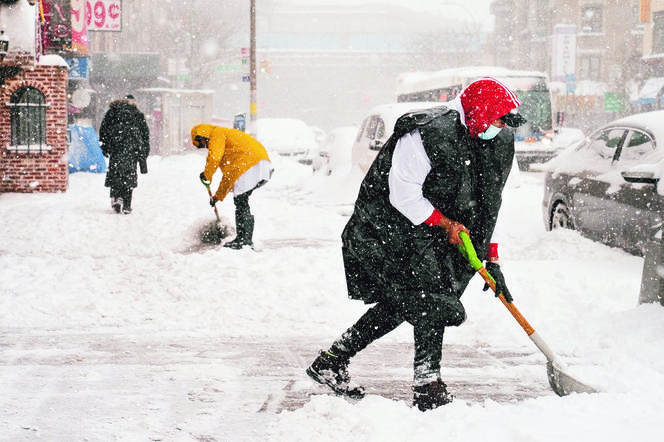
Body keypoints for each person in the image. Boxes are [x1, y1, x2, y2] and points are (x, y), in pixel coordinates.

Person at [306, 77, 527, 411]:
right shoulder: (425, 132)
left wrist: (491, 256)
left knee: (405, 303)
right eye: (496, 120)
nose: (499, 128)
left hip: (433, 234)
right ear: (479, 113)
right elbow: (404, 195)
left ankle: (332, 360)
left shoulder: (497, 142)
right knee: (430, 300)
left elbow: (489, 203)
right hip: (388, 228)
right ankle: (428, 385)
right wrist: (446, 223)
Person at [191, 124, 273, 249]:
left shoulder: (216, 134)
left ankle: (243, 240)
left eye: (202, 143)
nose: (205, 146)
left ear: (201, 135)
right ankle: (245, 239)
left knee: (241, 200)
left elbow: (214, 157)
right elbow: (229, 177)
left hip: (250, 164)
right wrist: (217, 197)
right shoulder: (231, 151)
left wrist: (207, 175)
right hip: (260, 164)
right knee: (242, 200)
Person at [99, 94, 150, 214]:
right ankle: (127, 204)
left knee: (115, 174)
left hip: (116, 149)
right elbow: (145, 135)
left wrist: (105, 147)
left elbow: (103, 130)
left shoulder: (112, 112)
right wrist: (144, 152)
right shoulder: (137, 114)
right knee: (129, 177)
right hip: (132, 151)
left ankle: (116, 198)